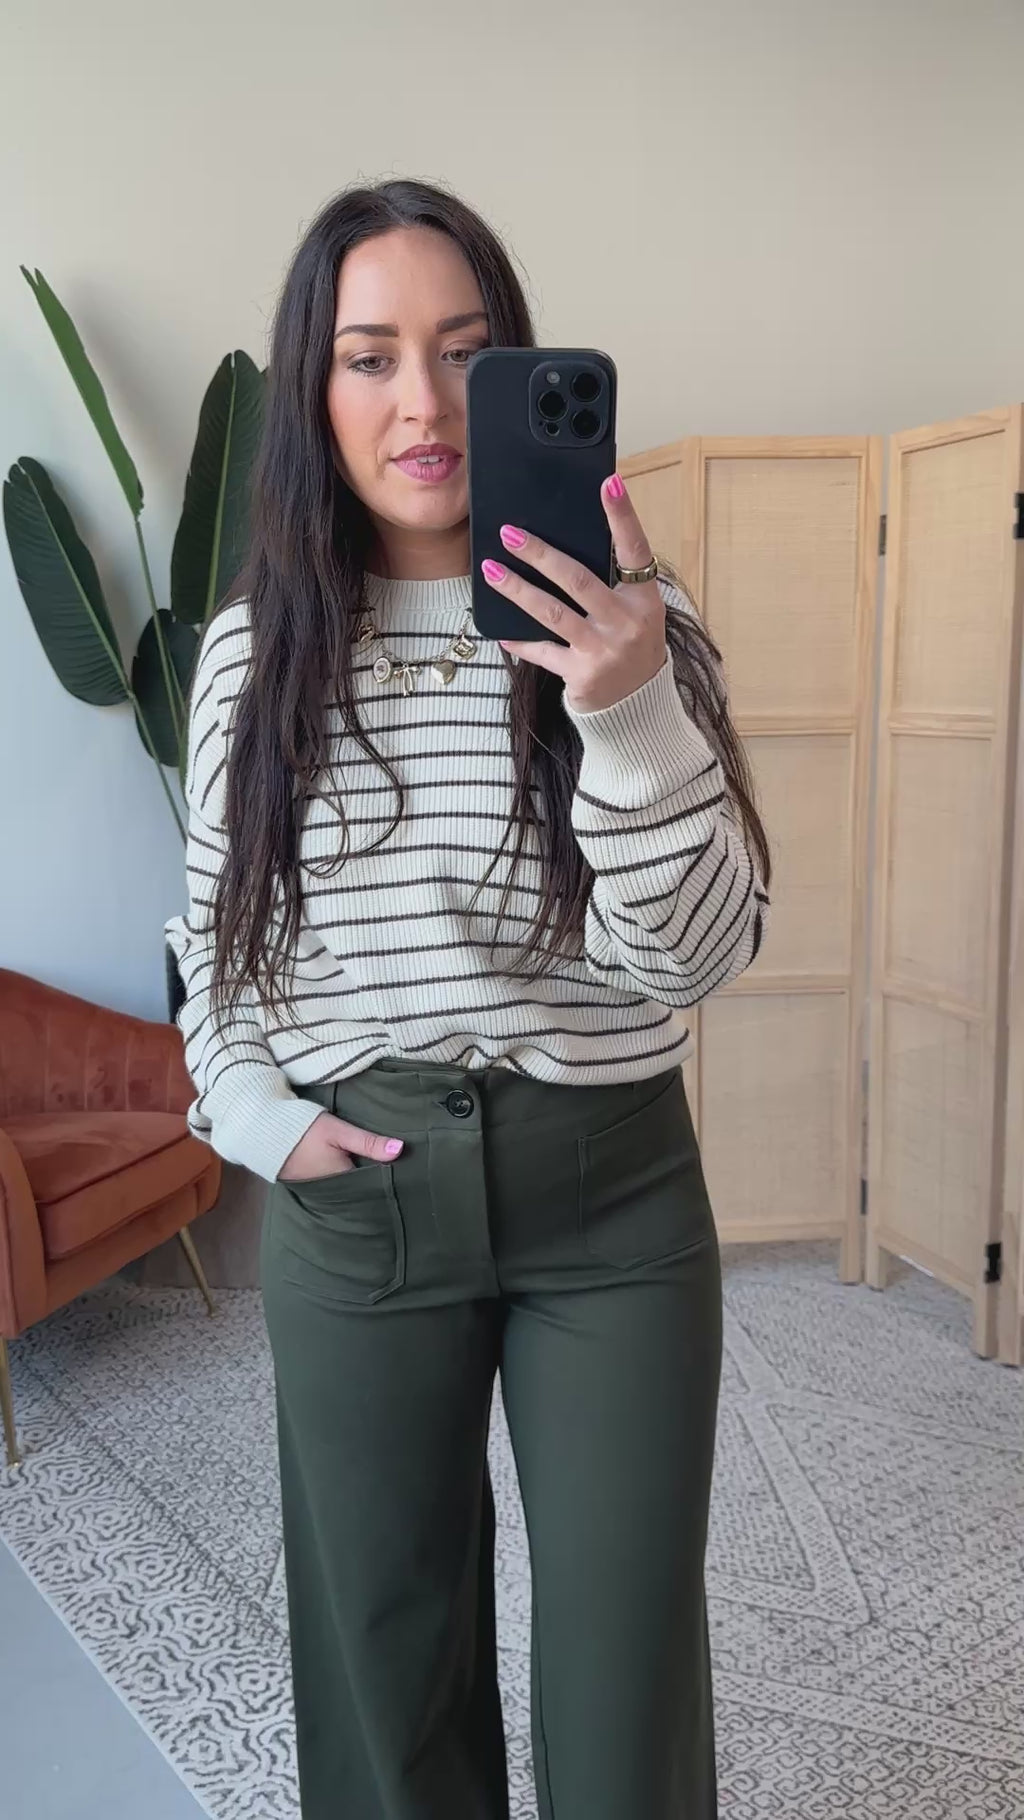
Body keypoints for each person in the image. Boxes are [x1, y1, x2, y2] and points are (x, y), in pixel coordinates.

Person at [166, 177, 771, 1820]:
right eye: (370, 357)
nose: (423, 404)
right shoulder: (254, 655)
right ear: (315, 391)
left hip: (613, 1194)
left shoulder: (635, 628)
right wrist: (259, 1119)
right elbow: (213, 944)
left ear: (519, 369)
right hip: (358, 1193)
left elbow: (702, 955)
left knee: (625, 1677)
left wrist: (627, 709)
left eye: (464, 350)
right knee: (386, 1666)